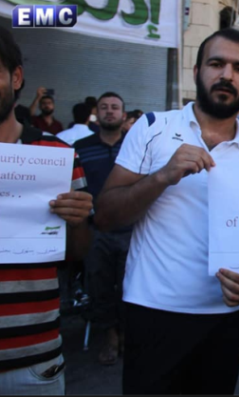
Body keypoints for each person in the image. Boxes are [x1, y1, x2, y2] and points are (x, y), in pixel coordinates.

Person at [94, 28, 239, 394]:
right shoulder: (153, 127)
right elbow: (105, 216)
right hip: (152, 312)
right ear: (196, 70)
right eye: (216, 64)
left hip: (224, 319)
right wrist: (162, 177)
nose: (227, 76)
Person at [0, 27, 93, 395]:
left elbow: (78, 251)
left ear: (16, 77)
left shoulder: (56, 154)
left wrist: (79, 219)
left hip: (34, 359)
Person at [73, 92, 130, 366]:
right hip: (96, 230)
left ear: (124, 115)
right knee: (99, 284)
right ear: (96, 113)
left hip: (132, 229)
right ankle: (109, 335)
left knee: (130, 285)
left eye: (115, 108)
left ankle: (127, 333)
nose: (110, 112)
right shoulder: (80, 147)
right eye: (104, 107)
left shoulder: (134, 146)